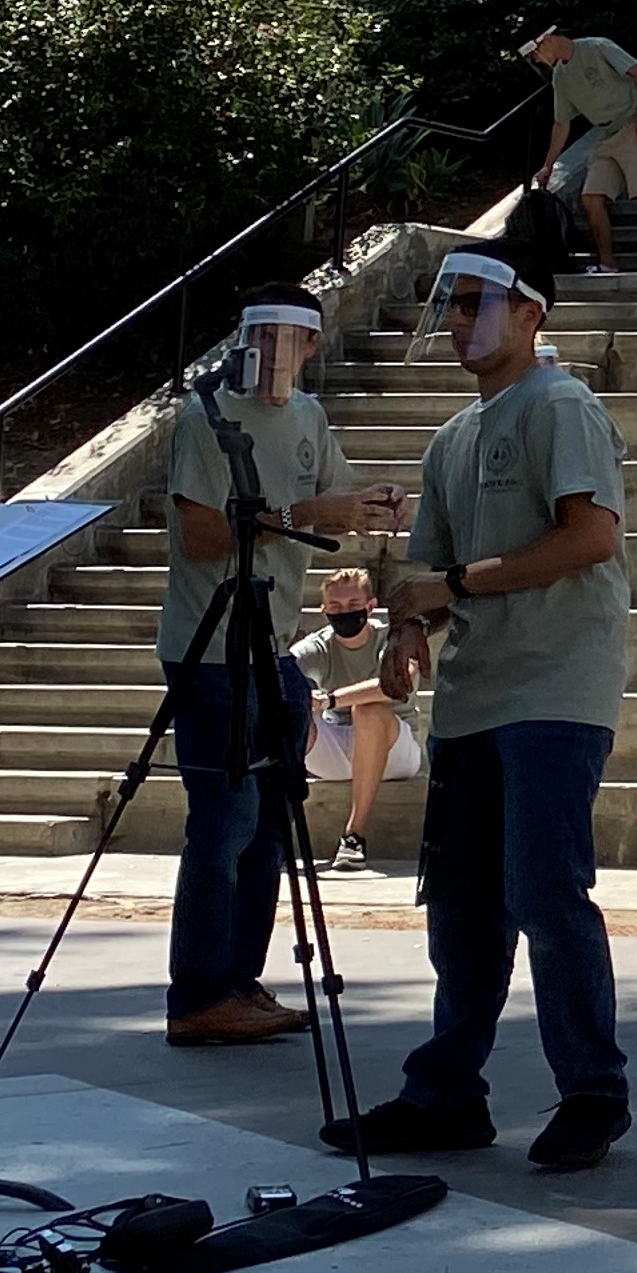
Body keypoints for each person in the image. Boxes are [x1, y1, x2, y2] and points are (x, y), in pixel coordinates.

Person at [335, 240, 633, 1173]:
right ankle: (447, 1095)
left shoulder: (563, 403)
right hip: (473, 697)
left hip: (555, 685)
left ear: (531, 314)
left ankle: (592, 1092)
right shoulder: (450, 439)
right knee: (461, 905)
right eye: (451, 305)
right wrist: (405, 634)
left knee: (546, 891)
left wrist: (452, 586)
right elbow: (425, 577)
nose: (460, 319)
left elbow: (589, 537)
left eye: (476, 303)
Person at [159, 291, 399, 1040]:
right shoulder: (206, 419)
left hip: (270, 645)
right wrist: (303, 518)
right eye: (260, 333)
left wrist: (370, 505)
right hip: (209, 649)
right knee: (224, 821)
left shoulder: (308, 419)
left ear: (312, 346)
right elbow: (201, 534)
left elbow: (335, 499)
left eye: (289, 337)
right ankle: (197, 994)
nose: (272, 349)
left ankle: (239, 980)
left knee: (267, 824)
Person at [524, 26, 637, 271]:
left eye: (535, 53)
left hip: (634, 124)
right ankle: (607, 263)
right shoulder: (560, 76)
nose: (537, 60)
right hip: (607, 135)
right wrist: (548, 165)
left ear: (546, 39)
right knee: (591, 197)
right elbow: (561, 123)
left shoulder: (597, 47)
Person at [295, 566, 418, 876]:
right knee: (288, 712)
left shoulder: (392, 638)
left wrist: (330, 699)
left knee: (367, 710)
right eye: (335, 607)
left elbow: (396, 684)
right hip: (337, 744)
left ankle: (354, 835)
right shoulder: (318, 645)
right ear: (323, 611)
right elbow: (283, 674)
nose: (344, 613)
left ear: (370, 606)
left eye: (353, 605)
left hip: (396, 749)